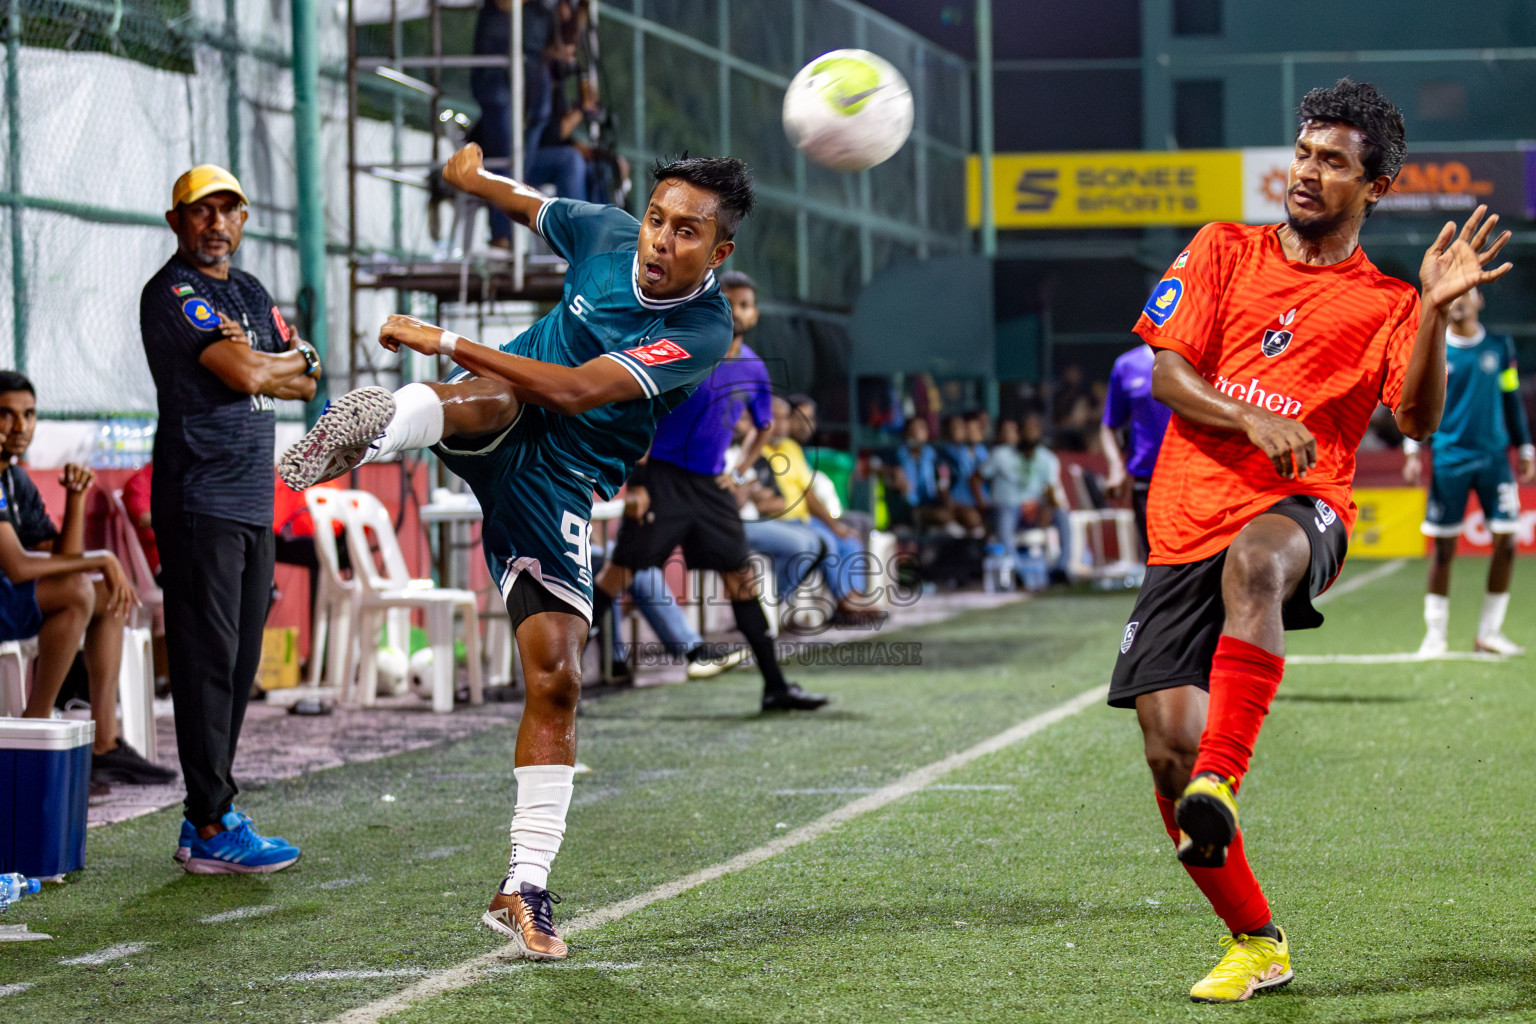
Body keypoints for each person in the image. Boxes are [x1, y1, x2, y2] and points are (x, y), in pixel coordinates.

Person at [277, 142, 754, 960]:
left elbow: (572, 392)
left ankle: (522, 886)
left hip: (565, 478)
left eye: (685, 233)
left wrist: (446, 339)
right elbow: (527, 203)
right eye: (656, 219)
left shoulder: (703, 329)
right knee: (500, 392)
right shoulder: (603, 233)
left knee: (558, 679)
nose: (659, 241)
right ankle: (377, 428)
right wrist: (467, 177)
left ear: (718, 253)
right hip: (489, 418)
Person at [1108, 78, 1510, 1003]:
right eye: (1303, 152)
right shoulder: (1222, 249)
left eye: (1333, 162)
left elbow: (1413, 419)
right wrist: (1246, 414)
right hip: (1182, 519)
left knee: (1257, 568)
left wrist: (1436, 313)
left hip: (1303, 507)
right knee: (1166, 749)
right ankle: (1257, 941)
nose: (1307, 172)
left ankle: (1225, 775)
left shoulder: (1387, 302)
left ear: (1376, 187)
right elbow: (1168, 372)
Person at [142, 164, 319, 874]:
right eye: (201, 212)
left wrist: (279, 360)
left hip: (251, 499)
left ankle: (204, 822)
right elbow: (252, 375)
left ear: (243, 221)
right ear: (177, 221)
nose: (216, 224)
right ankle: (212, 822)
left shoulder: (247, 291)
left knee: (239, 662)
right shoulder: (173, 292)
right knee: (207, 662)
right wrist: (275, 360)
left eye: (228, 211)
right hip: (199, 500)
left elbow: (306, 375)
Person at [593, 269, 826, 710]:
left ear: (754, 315)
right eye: (729, 301)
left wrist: (738, 472)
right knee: (618, 574)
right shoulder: (685, 351)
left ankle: (776, 687)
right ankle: (562, 685)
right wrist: (637, 484)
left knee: (741, 580)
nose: (737, 311)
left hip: (710, 486)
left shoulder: (754, 367)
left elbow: (762, 426)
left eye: (745, 304)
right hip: (660, 479)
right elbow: (642, 414)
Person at [0, 374, 170, 787]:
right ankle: (34, 730)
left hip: (11, 601)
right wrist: (104, 556)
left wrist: (75, 499)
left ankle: (104, 744)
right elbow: (19, 566)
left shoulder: (15, 478)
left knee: (101, 589)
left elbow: (62, 558)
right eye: (5, 415)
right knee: (78, 590)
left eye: (29, 414)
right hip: (7, 597)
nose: (20, 427)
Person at [1403, 285, 1534, 656]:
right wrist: (1412, 450)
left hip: (1494, 460)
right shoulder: (1433, 348)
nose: (1460, 300)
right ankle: (1435, 636)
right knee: (1444, 550)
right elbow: (1414, 401)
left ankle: (1489, 634)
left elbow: (1510, 397)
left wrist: (1524, 446)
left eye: (1468, 293)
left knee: (1508, 542)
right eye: (1454, 294)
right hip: (1449, 461)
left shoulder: (1499, 347)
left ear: (1480, 300)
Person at [758, 396, 884, 627]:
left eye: (784, 419)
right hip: (780, 522)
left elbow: (809, 494)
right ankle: (845, 602)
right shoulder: (758, 451)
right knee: (827, 540)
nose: (782, 424)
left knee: (849, 540)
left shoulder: (791, 448)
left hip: (803, 519)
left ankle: (854, 596)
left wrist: (835, 524)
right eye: (776, 418)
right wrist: (831, 526)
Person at [1100, 342, 1174, 558]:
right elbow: (1108, 426)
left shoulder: (1199, 360)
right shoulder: (1126, 365)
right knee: (1157, 559)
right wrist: (1116, 468)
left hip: (1195, 479)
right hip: (1147, 483)